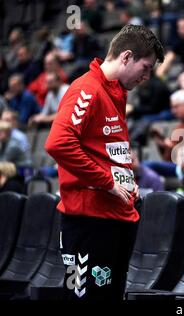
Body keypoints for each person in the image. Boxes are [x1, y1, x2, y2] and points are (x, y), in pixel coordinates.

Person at [45, 25, 164, 300]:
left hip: (116, 217)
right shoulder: (87, 89)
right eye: (145, 67)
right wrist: (107, 182)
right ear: (126, 57)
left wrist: (124, 185)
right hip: (89, 221)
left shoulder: (116, 93)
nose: (147, 77)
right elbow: (58, 143)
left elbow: (106, 152)